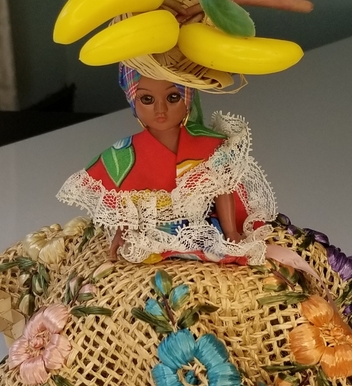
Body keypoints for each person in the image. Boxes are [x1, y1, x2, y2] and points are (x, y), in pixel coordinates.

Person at [57, 63, 277, 265]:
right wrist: (120, 233)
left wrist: (231, 233)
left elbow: (223, 189)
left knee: (221, 251)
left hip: (202, 228)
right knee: (139, 251)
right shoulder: (123, 154)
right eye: (147, 99)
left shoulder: (209, 144)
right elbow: (123, 201)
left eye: (173, 97)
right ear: (133, 100)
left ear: (188, 97)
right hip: (154, 232)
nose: (160, 109)